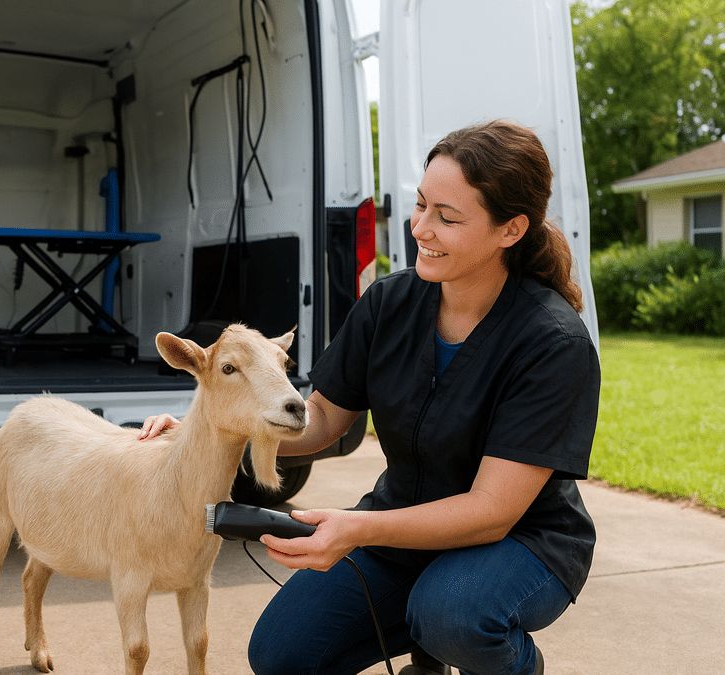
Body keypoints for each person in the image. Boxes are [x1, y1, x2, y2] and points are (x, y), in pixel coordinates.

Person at [138, 120, 601, 675]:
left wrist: (357, 528)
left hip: (522, 541)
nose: (421, 230)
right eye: (421, 206)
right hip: (401, 523)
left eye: (447, 218)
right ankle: (430, 638)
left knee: (452, 615)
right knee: (280, 654)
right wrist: (210, 430)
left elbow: (491, 512)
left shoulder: (553, 344)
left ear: (511, 230)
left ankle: (488, 655)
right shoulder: (389, 303)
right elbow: (325, 418)